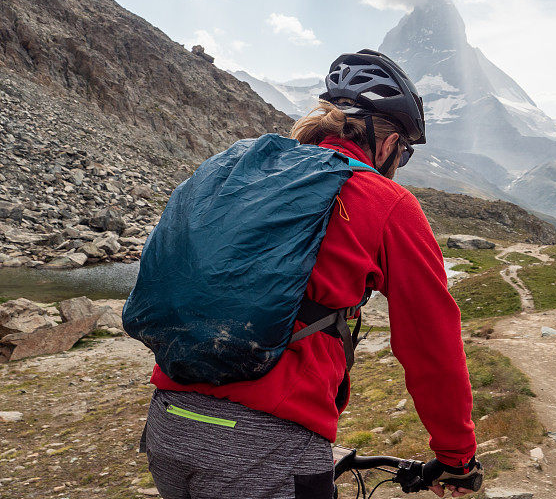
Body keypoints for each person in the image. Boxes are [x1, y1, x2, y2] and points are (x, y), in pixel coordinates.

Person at [142, 49, 480, 498]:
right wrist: (456, 457)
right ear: (386, 139)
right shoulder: (385, 202)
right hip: (265, 449)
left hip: (169, 424)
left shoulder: (254, 175)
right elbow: (431, 343)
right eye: (405, 150)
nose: (399, 163)